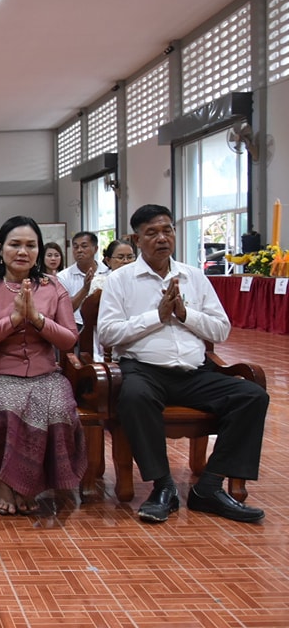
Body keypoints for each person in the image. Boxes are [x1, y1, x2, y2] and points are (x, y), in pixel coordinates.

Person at [98, 204, 268, 524]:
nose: (162, 238)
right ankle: (163, 488)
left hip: (195, 371)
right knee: (133, 397)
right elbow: (108, 334)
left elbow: (221, 329)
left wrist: (184, 314)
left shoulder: (194, 276)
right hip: (144, 370)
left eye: (167, 230)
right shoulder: (121, 280)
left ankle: (210, 487)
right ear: (137, 239)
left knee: (252, 396)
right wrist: (156, 317)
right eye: (152, 233)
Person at [0, 216, 85, 515]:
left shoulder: (54, 287)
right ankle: (10, 482)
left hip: (45, 374)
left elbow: (69, 340)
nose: (23, 251)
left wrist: (39, 320)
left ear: (39, 251)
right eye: (15, 244)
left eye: (31, 245)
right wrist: (14, 320)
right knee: (8, 408)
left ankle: (22, 484)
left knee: (57, 409)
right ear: (0, 250)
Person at [56, 231, 99, 327]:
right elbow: (65, 309)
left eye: (84, 246)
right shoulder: (63, 276)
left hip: (103, 324)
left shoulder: (108, 272)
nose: (79, 250)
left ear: (95, 249)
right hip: (76, 325)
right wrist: (85, 289)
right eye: (76, 247)